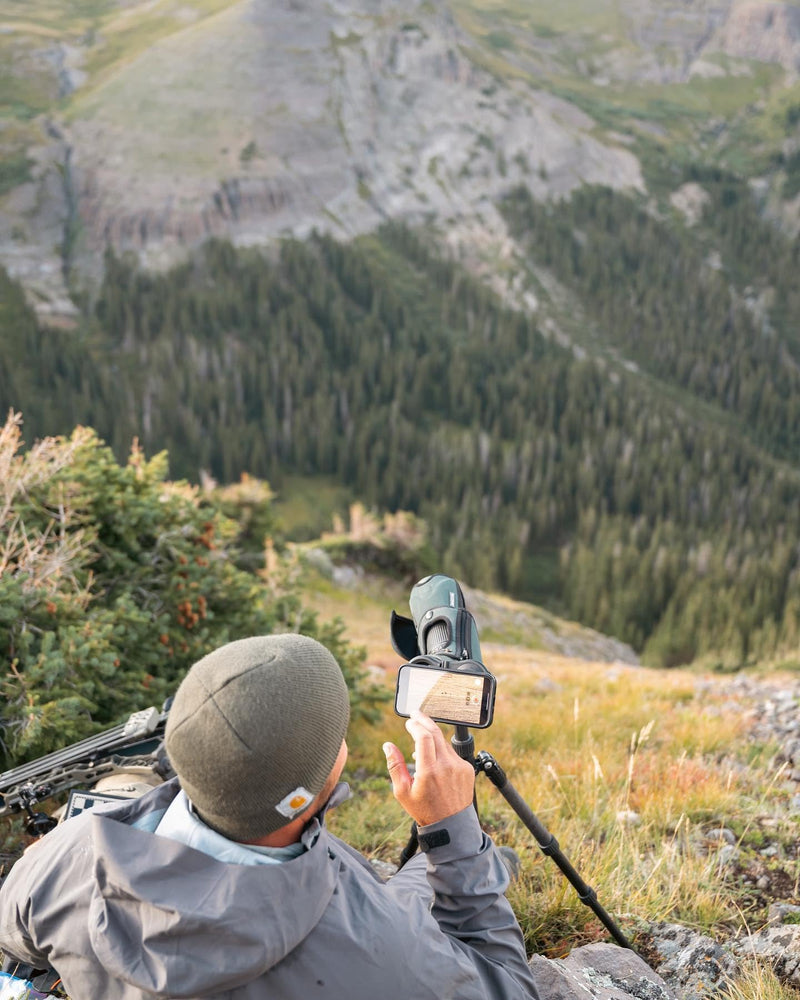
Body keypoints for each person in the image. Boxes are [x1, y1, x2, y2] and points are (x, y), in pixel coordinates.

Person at [0, 633, 539, 999]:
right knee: (409, 888)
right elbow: (508, 987)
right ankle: (493, 861)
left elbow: (12, 939)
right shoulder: (381, 953)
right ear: (305, 796)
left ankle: (493, 862)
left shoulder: (64, 855)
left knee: (405, 887)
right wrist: (453, 835)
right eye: (336, 739)